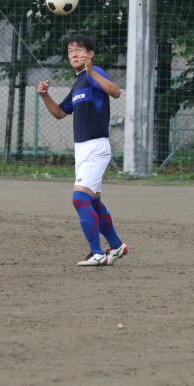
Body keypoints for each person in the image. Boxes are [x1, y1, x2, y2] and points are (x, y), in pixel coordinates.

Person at [36, 33, 128, 267]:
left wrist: (92, 71)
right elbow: (59, 113)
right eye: (70, 51)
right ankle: (116, 246)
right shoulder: (78, 83)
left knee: (79, 199)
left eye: (79, 49)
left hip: (96, 147)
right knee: (93, 202)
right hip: (82, 149)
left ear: (90, 54)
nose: (74, 54)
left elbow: (115, 92)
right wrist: (45, 96)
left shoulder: (94, 75)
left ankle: (97, 253)